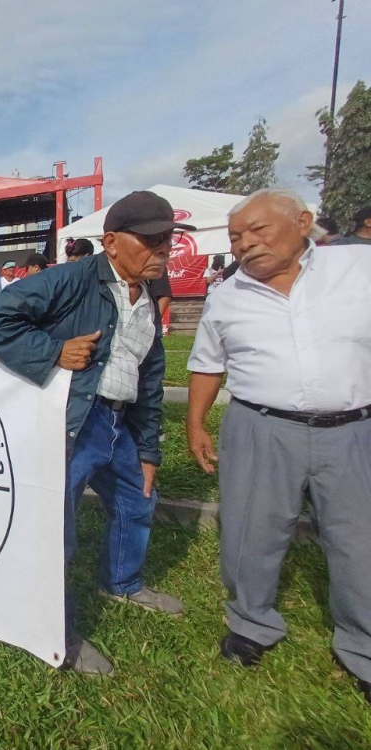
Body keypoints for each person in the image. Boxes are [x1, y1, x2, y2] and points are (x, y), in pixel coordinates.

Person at [0, 191, 194, 675]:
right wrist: (53, 350)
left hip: (118, 421)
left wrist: (150, 450)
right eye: (153, 239)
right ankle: (56, 632)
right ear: (111, 242)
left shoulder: (147, 299)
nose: (163, 248)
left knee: (138, 499)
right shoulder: (71, 279)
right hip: (73, 420)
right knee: (58, 532)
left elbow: (151, 376)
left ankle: (123, 581)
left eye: (168, 239)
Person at [186, 189, 371, 705]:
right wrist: (196, 424)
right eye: (236, 237)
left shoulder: (359, 268)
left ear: (303, 222)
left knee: (360, 539)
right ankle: (252, 623)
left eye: (258, 231)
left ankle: (362, 645)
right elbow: (206, 363)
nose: (246, 244)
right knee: (251, 529)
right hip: (260, 427)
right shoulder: (227, 294)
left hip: (354, 428)